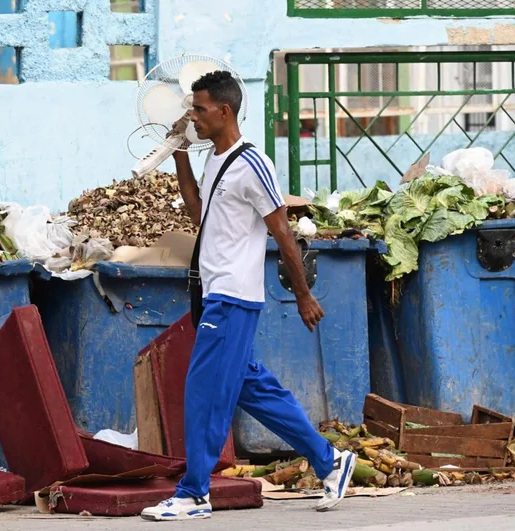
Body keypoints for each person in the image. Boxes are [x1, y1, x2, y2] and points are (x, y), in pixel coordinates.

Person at [140, 71, 356, 522]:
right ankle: (331, 461)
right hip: (215, 294)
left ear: (225, 111)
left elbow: (282, 231)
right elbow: (198, 209)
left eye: (198, 110)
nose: (192, 116)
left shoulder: (253, 163)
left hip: (233, 297)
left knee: (202, 391)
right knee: (254, 389)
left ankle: (194, 493)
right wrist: (178, 151)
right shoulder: (215, 159)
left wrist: (302, 295)